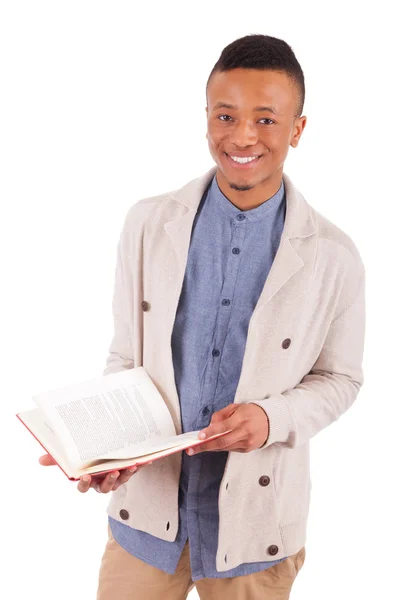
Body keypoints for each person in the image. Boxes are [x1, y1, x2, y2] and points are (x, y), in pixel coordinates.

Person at [39, 33, 366, 599]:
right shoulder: (146, 224)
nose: (242, 136)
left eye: (266, 119)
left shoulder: (334, 256)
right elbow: (126, 357)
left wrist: (272, 417)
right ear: (207, 119)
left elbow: (342, 380)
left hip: (255, 532)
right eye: (226, 115)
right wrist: (108, 451)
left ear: (298, 129)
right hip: (147, 520)